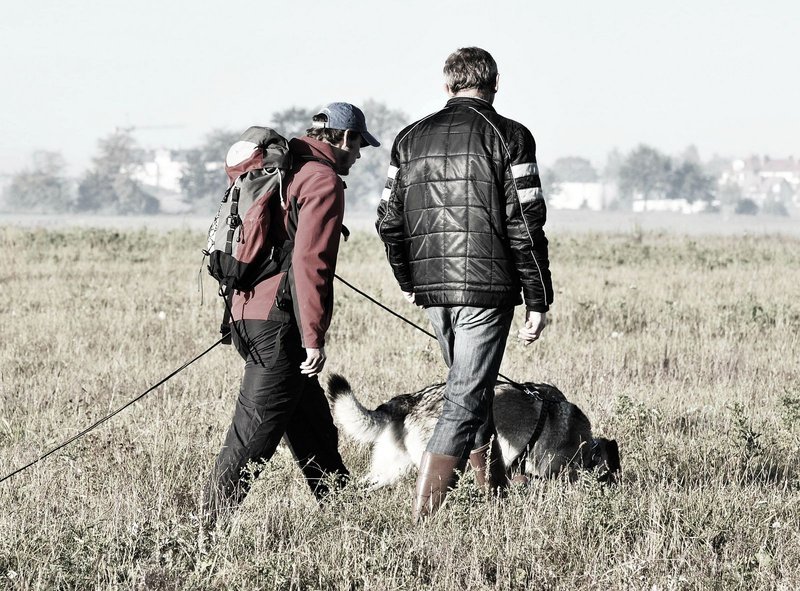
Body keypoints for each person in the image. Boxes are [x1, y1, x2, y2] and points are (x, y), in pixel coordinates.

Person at [376, 47, 553, 521]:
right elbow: (526, 225)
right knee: (465, 397)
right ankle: (424, 520)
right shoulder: (512, 136)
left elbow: (389, 221)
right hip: (487, 290)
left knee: (469, 390)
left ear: (447, 85)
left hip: (433, 290)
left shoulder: (408, 138)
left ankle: (492, 494)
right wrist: (538, 299)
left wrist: (409, 280)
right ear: (495, 84)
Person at [203, 103, 380, 527]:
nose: (359, 155)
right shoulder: (322, 180)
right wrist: (313, 338)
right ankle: (203, 532)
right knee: (251, 439)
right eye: (359, 144)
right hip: (279, 327)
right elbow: (310, 264)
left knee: (314, 431)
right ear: (344, 138)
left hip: (247, 316)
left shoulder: (288, 169)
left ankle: (349, 522)